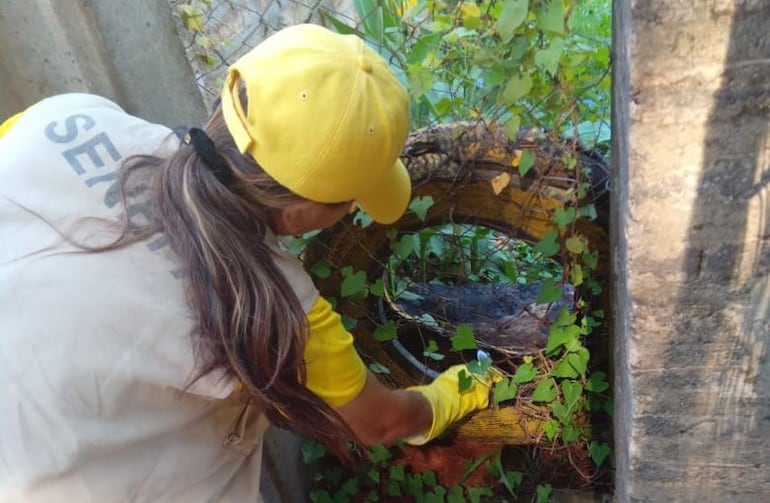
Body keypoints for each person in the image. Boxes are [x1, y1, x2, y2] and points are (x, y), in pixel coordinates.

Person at [0, 24, 492, 502]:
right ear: (306, 211)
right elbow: (381, 422)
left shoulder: (65, 118)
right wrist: (453, 394)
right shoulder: (284, 309)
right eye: (350, 202)